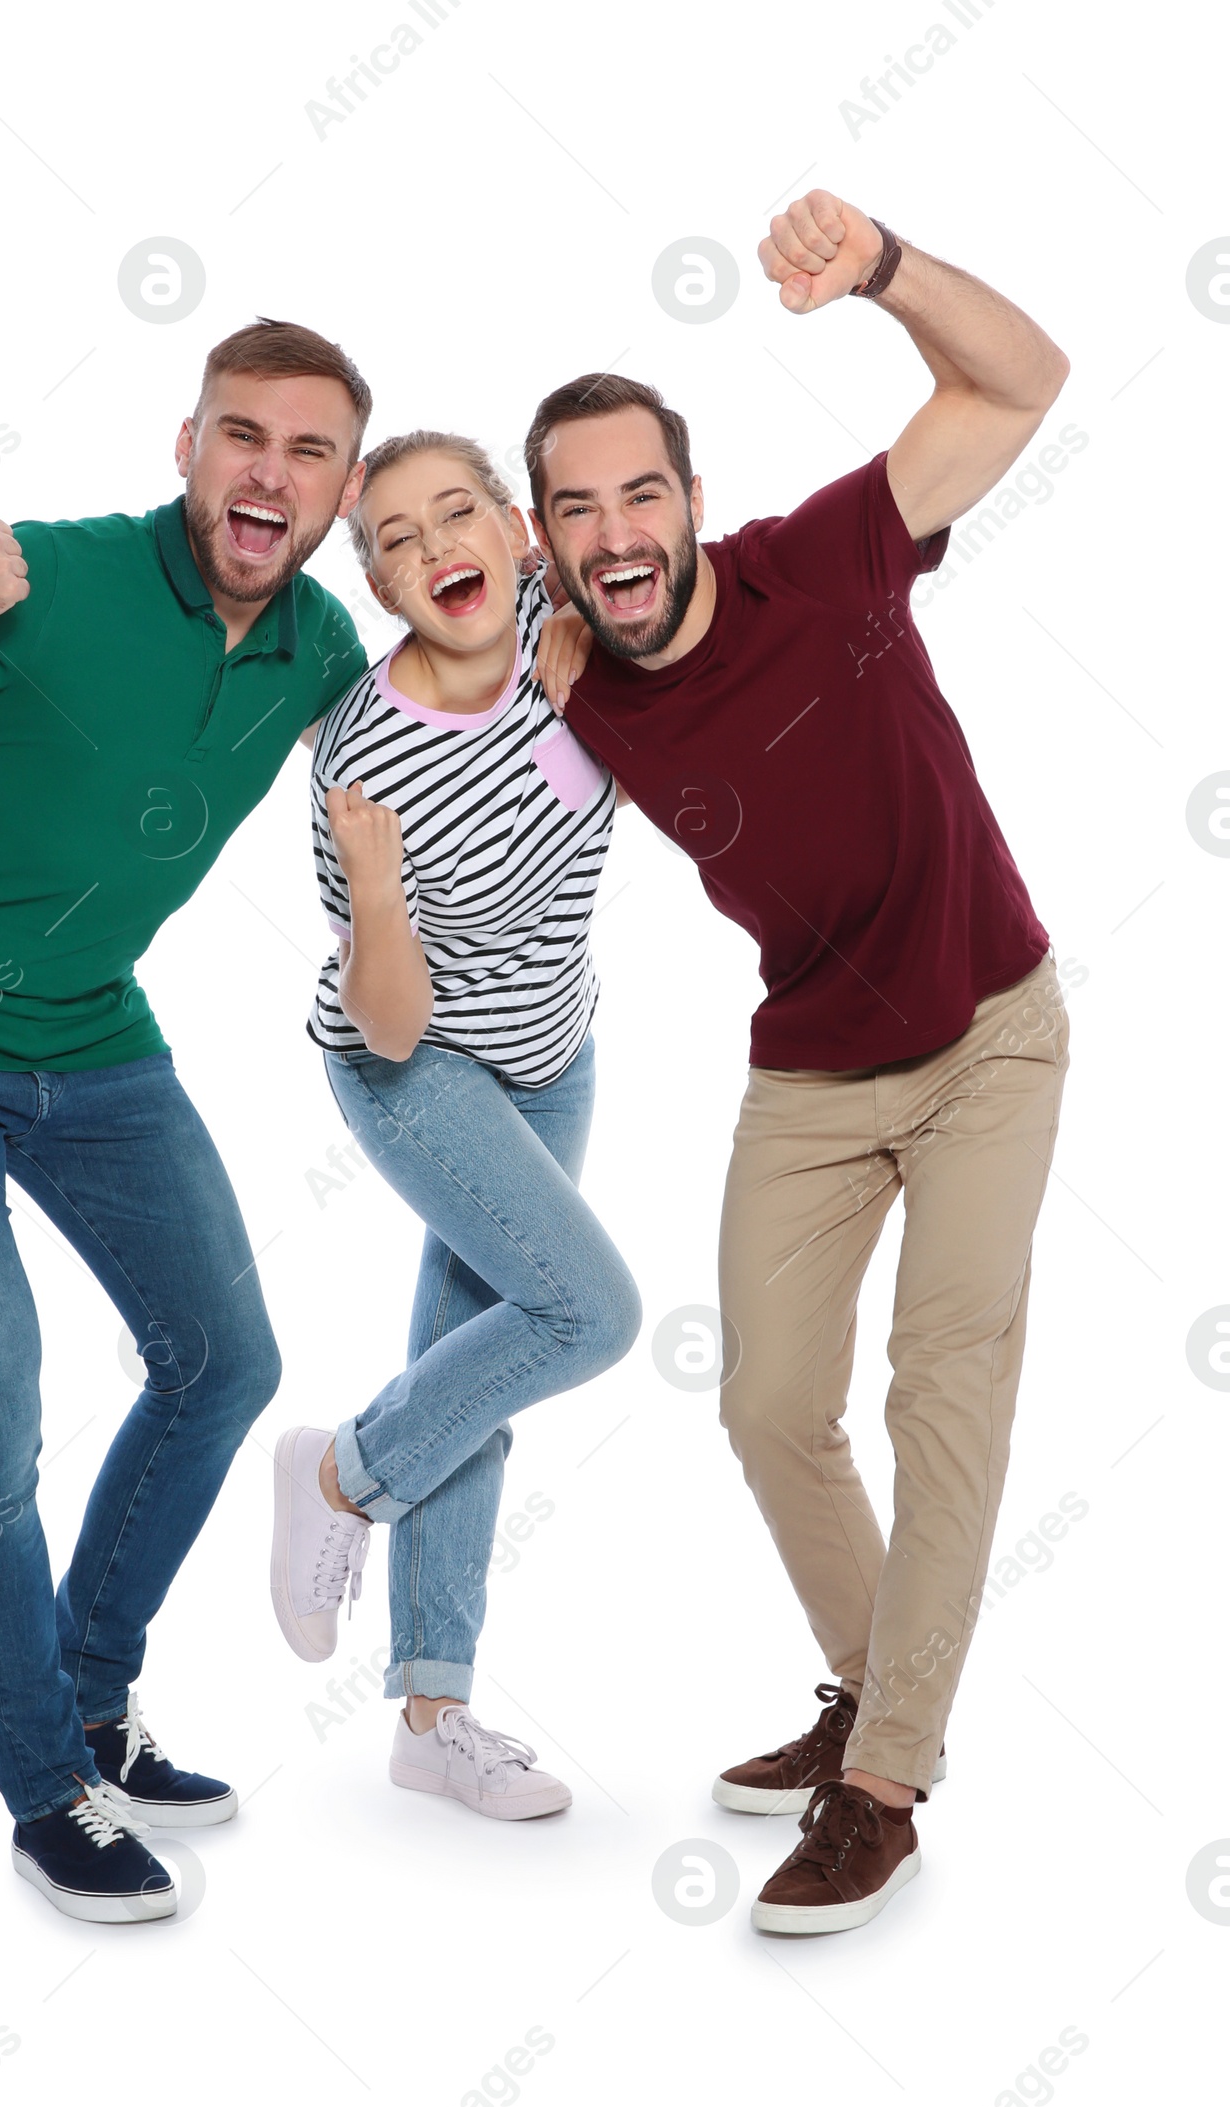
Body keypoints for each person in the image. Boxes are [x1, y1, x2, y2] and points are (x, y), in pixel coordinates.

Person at [0, 320, 373, 1923]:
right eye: (245, 436)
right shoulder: (44, 577)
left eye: (310, 453)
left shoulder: (317, 648)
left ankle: (96, 1693)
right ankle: (46, 1789)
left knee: (226, 1361)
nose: (269, 473)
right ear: (186, 444)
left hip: (90, 1033)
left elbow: (440, 746)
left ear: (343, 489)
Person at [530, 192, 1072, 1931]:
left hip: (991, 1031)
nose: (615, 533)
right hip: (813, 1075)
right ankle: (869, 1686)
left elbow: (1028, 380)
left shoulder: (823, 557)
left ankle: (888, 1780)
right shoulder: (579, 690)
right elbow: (413, 642)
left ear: (689, 502)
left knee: (945, 1380)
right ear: (551, 544)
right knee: (767, 1402)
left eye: (639, 493)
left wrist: (894, 276)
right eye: (575, 509)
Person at [268, 430, 641, 1818]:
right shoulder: (365, 765)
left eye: (457, 516)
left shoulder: (568, 611)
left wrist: (591, 644)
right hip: (410, 1066)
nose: (437, 551)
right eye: (400, 541)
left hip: (555, 1053)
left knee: (474, 1366)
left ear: (515, 528)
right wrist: (374, 889)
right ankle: (341, 1476)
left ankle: (433, 1718)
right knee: (584, 1317)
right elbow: (394, 1025)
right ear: (380, 585)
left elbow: (689, 605)